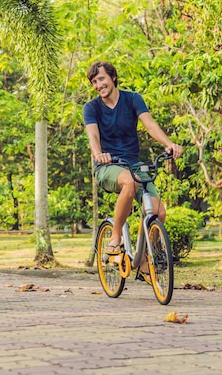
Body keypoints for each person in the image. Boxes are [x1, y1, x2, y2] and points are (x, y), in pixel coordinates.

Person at [82, 61, 182, 283]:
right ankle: (116, 236)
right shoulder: (92, 108)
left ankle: (143, 260)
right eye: (94, 82)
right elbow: (93, 136)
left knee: (158, 212)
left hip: (133, 164)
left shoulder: (132, 99)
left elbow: (150, 125)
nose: (98, 85)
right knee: (129, 182)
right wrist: (98, 153)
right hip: (107, 166)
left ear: (113, 77)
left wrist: (169, 144)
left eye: (101, 79)